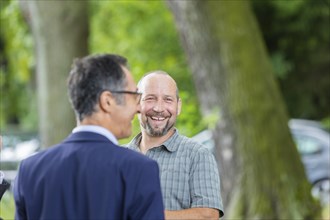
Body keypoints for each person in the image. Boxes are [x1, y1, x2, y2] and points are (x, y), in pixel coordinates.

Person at [13, 54, 165, 220]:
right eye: (134, 95)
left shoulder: (30, 170)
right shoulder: (139, 169)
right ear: (107, 101)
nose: (139, 108)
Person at [126, 70, 224, 219]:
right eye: (150, 98)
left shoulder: (198, 155)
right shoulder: (118, 157)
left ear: (178, 106)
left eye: (168, 100)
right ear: (137, 104)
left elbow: (208, 216)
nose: (159, 108)